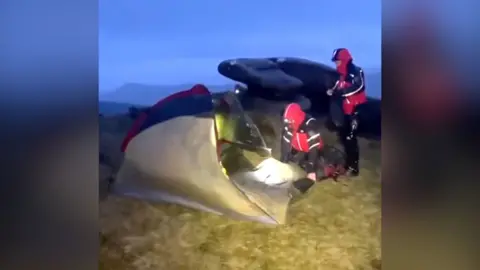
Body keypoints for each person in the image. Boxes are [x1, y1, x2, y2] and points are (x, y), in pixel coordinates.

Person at [327, 48, 367, 177]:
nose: (336, 64)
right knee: (344, 137)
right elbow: (338, 86)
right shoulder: (342, 75)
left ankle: (354, 168)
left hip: (356, 109)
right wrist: (332, 91)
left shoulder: (356, 71)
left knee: (351, 138)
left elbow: (360, 86)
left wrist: (342, 93)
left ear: (344, 59)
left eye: (337, 61)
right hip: (346, 110)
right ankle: (348, 164)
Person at [280, 103, 337, 192]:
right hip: (298, 148)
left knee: (317, 173)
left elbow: (313, 148)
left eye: (290, 122)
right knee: (293, 162)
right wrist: (283, 161)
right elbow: (286, 142)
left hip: (312, 149)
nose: (288, 125)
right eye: (286, 122)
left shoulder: (310, 125)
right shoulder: (288, 124)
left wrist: (311, 168)